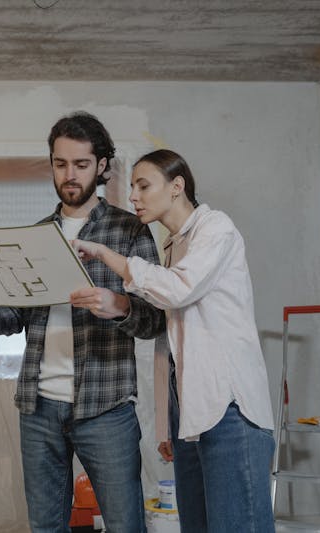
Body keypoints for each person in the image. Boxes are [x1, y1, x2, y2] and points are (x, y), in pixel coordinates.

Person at [0, 111, 165, 533]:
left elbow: (155, 320)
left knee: (126, 525)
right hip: (38, 407)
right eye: (60, 163)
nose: (70, 175)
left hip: (105, 407)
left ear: (102, 166)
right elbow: (16, 317)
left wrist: (119, 305)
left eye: (81, 164)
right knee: (46, 526)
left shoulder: (129, 231)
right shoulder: (35, 234)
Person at [71, 149, 275, 533]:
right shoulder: (173, 246)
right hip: (192, 413)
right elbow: (170, 343)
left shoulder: (216, 229)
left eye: (143, 186)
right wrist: (167, 424)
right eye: (132, 187)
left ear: (177, 186)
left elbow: (178, 290)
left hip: (230, 408)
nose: (133, 197)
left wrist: (104, 254)